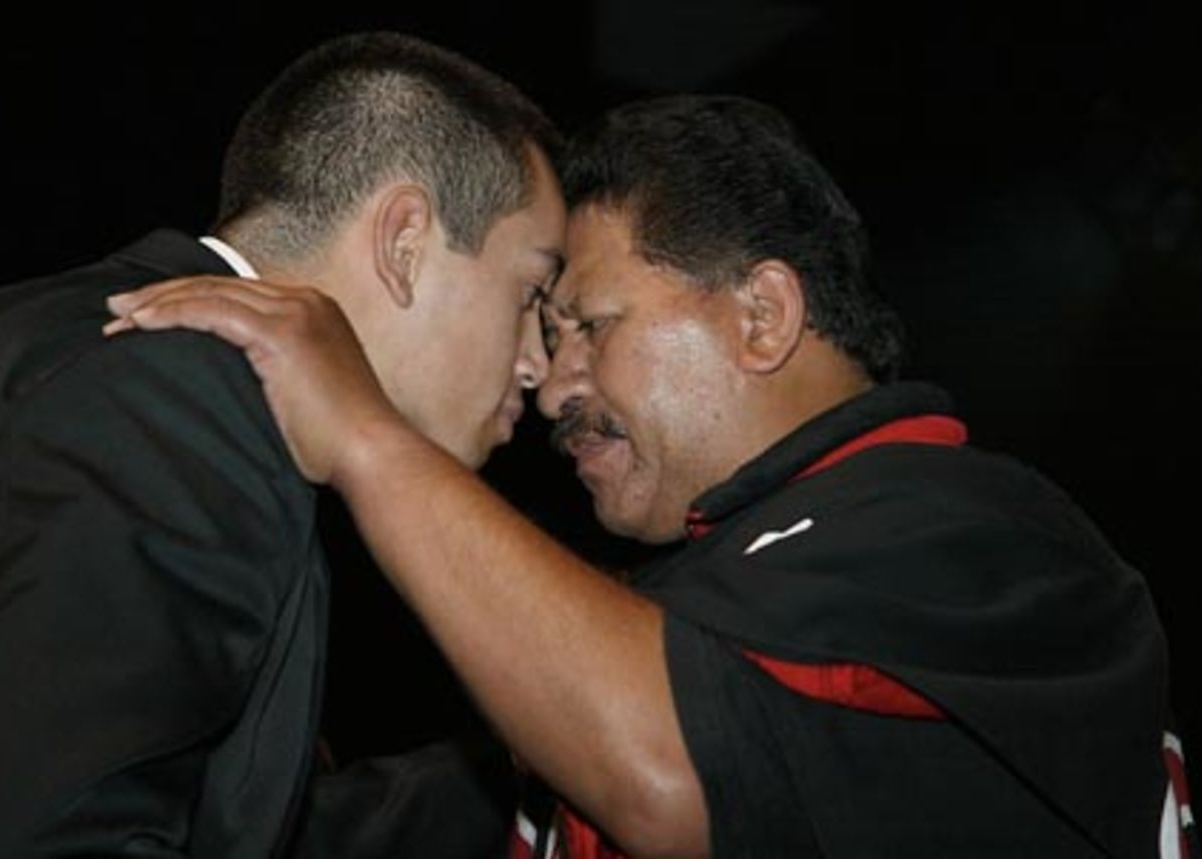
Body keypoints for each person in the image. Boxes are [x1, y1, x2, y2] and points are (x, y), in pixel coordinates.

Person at [106, 95, 1195, 857]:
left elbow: (667, 773)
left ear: (761, 315)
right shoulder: (673, 613)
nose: (547, 386)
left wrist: (364, 434)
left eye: (588, 324)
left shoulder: (975, 533)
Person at [0, 30, 565, 858]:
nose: (538, 365)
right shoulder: (187, 389)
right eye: (531, 293)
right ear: (404, 242)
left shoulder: (73, 340)